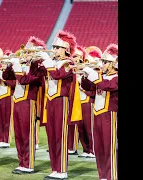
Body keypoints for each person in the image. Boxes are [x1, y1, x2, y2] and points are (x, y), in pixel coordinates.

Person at [37, 30, 83, 179]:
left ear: (65, 49)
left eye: (57, 47)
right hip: (50, 102)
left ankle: (62, 170)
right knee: (51, 136)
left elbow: (58, 75)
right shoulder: (54, 62)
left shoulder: (68, 63)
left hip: (61, 102)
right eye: (54, 47)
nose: (54, 50)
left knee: (60, 136)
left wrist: (47, 60)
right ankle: (55, 168)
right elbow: (38, 73)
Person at [3, 36, 46, 174]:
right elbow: (6, 77)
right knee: (18, 135)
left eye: (29, 52)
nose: (25, 54)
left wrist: (16, 65)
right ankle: (21, 162)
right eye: (25, 52)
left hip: (28, 102)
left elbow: (24, 80)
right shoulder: (21, 65)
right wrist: (10, 65)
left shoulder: (39, 69)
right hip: (17, 101)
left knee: (27, 134)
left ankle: (28, 164)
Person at [81, 43, 118, 180]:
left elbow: (105, 85)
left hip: (110, 116)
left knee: (109, 149)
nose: (101, 64)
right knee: (100, 149)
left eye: (105, 62)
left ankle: (111, 176)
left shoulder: (115, 77)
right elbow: (89, 87)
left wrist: (93, 74)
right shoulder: (101, 76)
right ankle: (102, 176)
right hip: (97, 115)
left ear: (112, 64)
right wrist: (85, 75)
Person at [76, 48, 102, 158]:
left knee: (90, 128)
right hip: (78, 103)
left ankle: (93, 150)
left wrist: (84, 91)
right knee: (80, 128)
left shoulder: (95, 74)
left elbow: (94, 90)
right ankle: (86, 149)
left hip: (88, 102)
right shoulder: (80, 74)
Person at [0, 49, 16, 148]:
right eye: (2, 62)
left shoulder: (12, 72)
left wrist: (5, 80)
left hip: (8, 95)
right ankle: (0, 139)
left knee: (7, 119)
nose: (3, 64)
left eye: (5, 62)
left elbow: (15, 83)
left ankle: (6, 139)